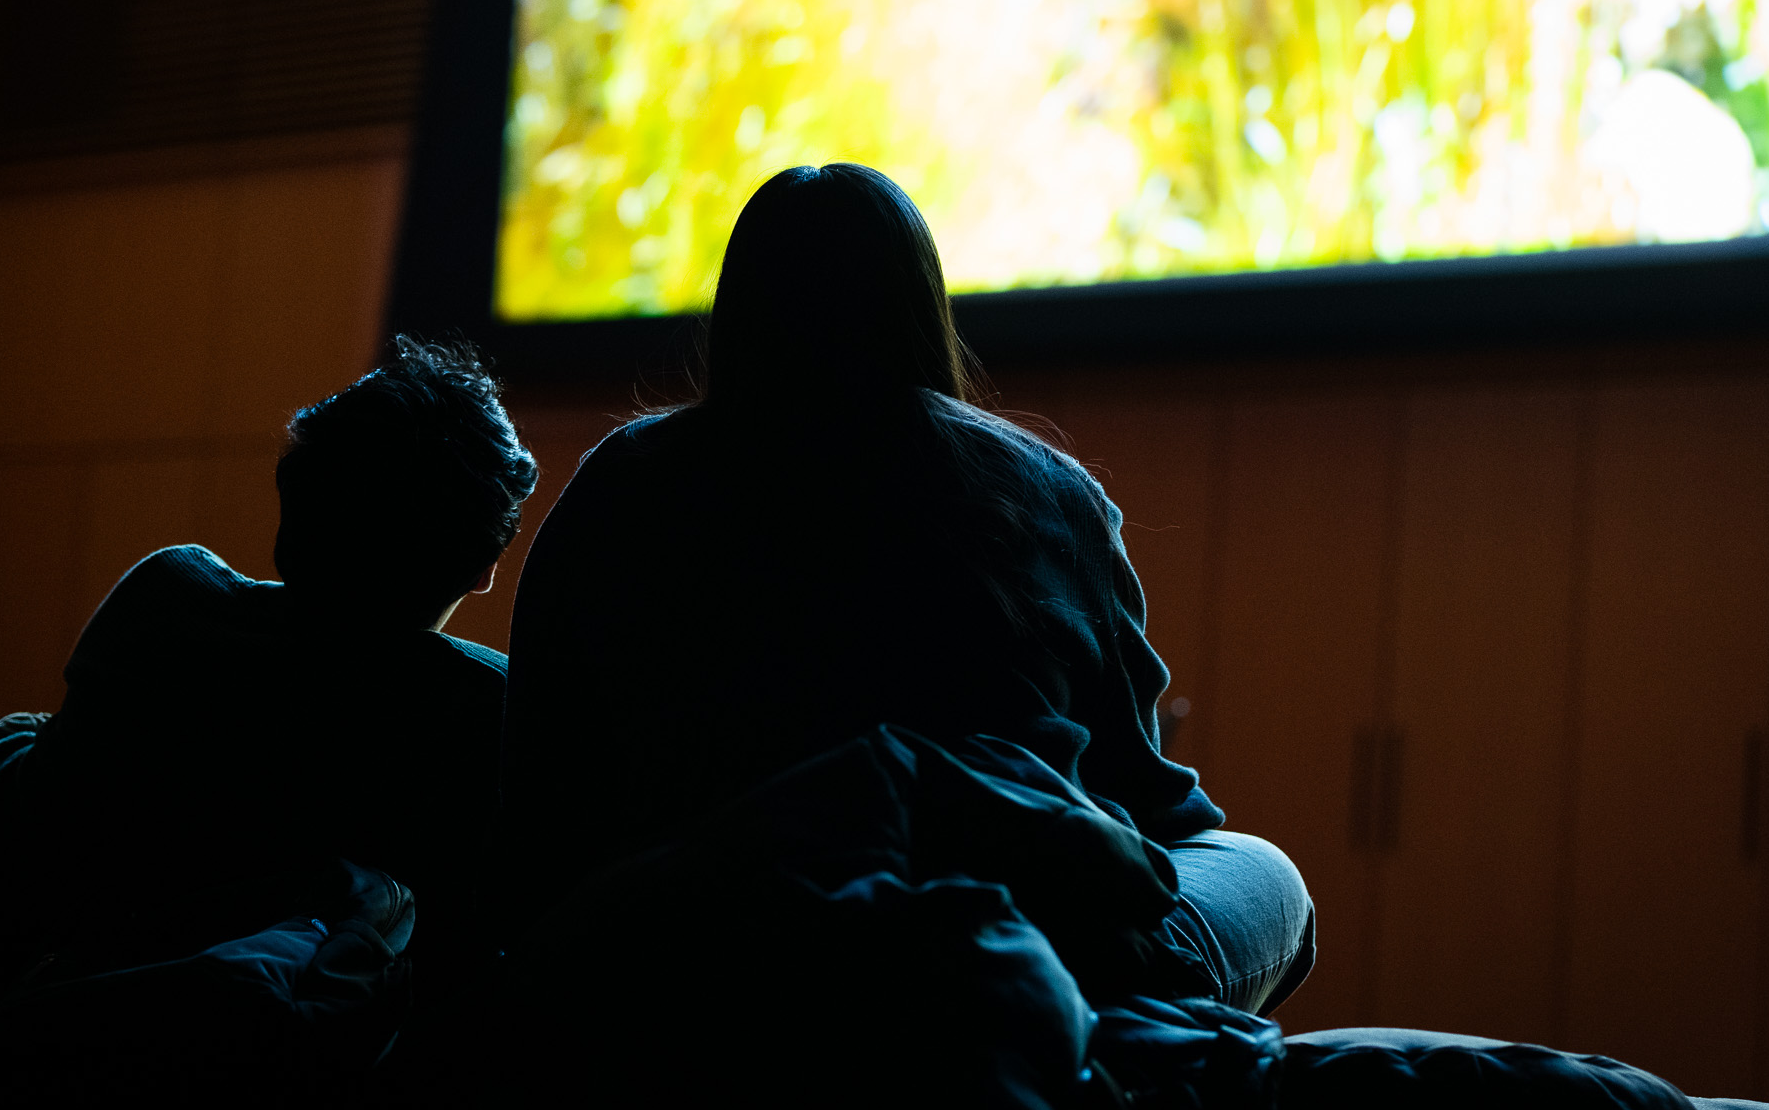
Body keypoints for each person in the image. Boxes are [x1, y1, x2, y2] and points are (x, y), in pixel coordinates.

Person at [500, 163, 1312, 1018]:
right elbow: (1138, 802)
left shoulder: (620, 485)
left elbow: (539, 799)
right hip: (1003, 952)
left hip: (682, 958)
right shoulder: (1041, 489)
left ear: (736, 309)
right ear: (922, 305)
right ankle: (1106, 1035)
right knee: (1264, 871)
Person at [0, 336, 538, 1053]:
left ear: (291, 506)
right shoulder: (489, 717)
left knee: (37, 737)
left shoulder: (172, 591)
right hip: (49, 966)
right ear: (484, 571)